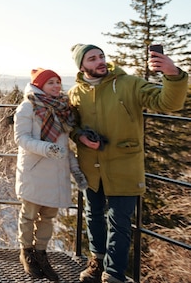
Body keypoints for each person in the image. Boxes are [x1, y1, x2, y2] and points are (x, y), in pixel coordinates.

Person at [68, 44, 188, 283]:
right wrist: (79, 136)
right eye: (92, 58)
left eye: (101, 56)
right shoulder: (75, 93)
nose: (100, 61)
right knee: (93, 216)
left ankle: (113, 274)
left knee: (120, 221)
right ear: (82, 66)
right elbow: (71, 125)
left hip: (124, 165)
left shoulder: (128, 83)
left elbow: (167, 103)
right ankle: (96, 262)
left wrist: (173, 75)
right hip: (91, 167)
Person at [14, 68, 87, 281]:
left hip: (56, 173)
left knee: (48, 217)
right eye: (50, 83)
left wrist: (75, 169)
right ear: (39, 85)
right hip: (35, 170)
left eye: (57, 82)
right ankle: (26, 253)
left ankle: (41, 254)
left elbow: (65, 146)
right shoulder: (27, 107)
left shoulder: (62, 109)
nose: (56, 86)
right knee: (29, 215)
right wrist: (47, 148)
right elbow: (21, 139)